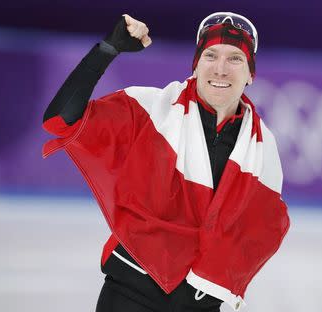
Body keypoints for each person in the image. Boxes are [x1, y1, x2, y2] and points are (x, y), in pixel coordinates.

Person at [42, 12, 290, 312]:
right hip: (130, 294)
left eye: (235, 59)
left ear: (251, 73)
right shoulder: (149, 111)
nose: (221, 69)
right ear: (195, 65)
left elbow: (263, 231)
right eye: (210, 55)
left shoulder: (262, 146)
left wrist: (212, 287)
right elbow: (60, 118)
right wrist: (108, 50)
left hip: (201, 303)